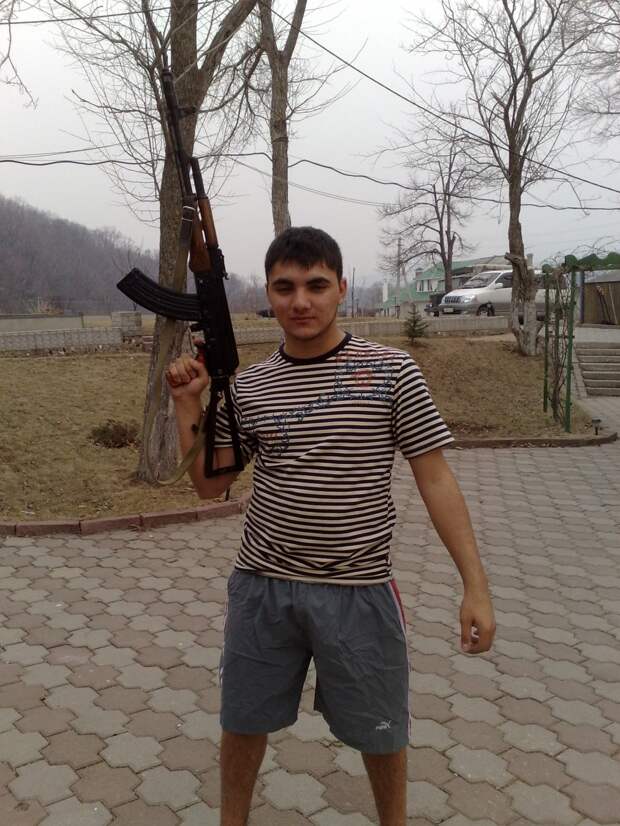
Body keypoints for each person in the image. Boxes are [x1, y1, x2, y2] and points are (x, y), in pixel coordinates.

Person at [166, 226, 496, 826]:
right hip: (262, 589)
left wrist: (475, 585)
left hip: (359, 591)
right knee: (242, 722)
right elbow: (212, 485)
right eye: (285, 287)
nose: (301, 301)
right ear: (268, 293)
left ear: (342, 289)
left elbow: (436, 480)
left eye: (316, 286)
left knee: (382, 732)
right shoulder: (250, 387)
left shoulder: (392, 371)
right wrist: (189, 403)